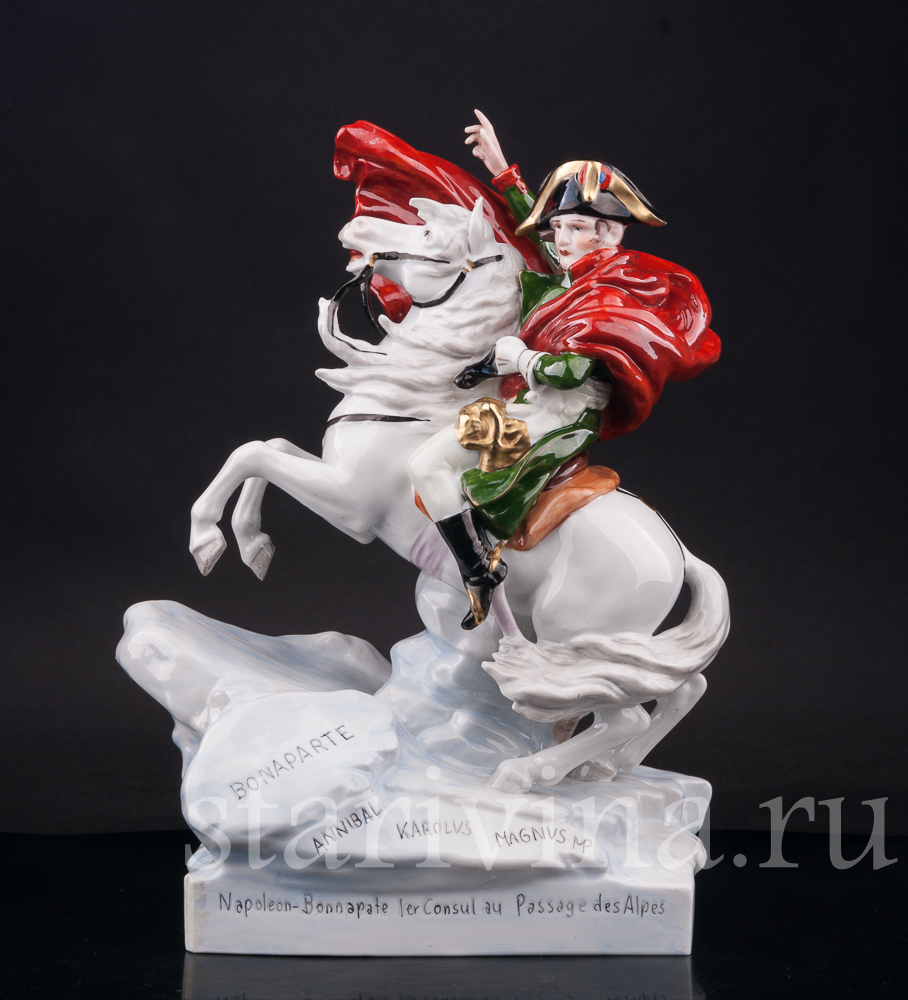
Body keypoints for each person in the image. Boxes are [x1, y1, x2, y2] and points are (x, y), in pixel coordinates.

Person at [406, 112, 721, 630]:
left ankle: (479, 571)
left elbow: (574, 370)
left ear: (606, 233)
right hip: (532, 405)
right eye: (559, 227)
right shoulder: (581, 274)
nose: (560, 238)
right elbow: (537, 234)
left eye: (574, 228)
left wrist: (518, 359)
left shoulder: (610, 293)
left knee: (427, 466)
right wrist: (502, 170)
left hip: (555, 418)